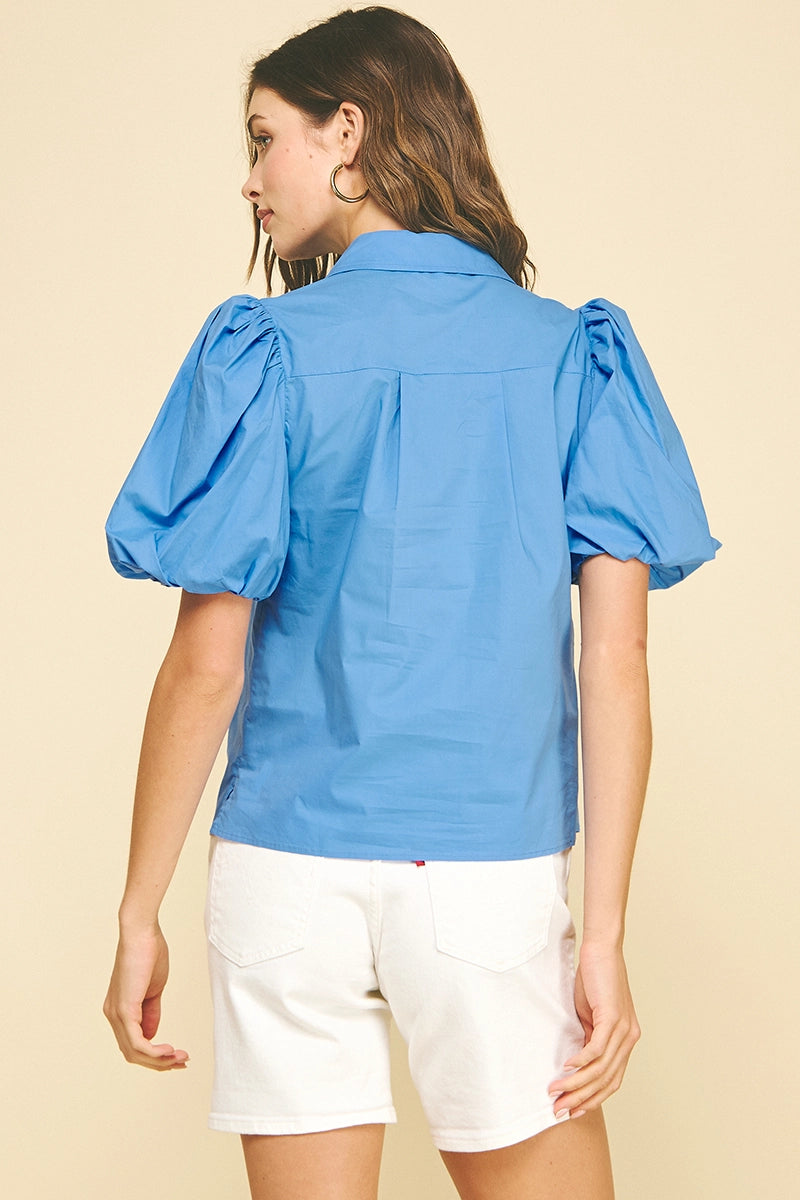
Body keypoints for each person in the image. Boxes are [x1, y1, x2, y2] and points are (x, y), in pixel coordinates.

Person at [102, 7, 720, 1199]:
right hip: (486, 875)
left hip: (282, 869)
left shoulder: (263, 353)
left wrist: (138, 908)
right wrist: (600, 935)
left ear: (348, 131)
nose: (248, 179)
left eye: (263, 139)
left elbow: (207, 664)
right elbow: (614, 662)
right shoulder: (569, 355)